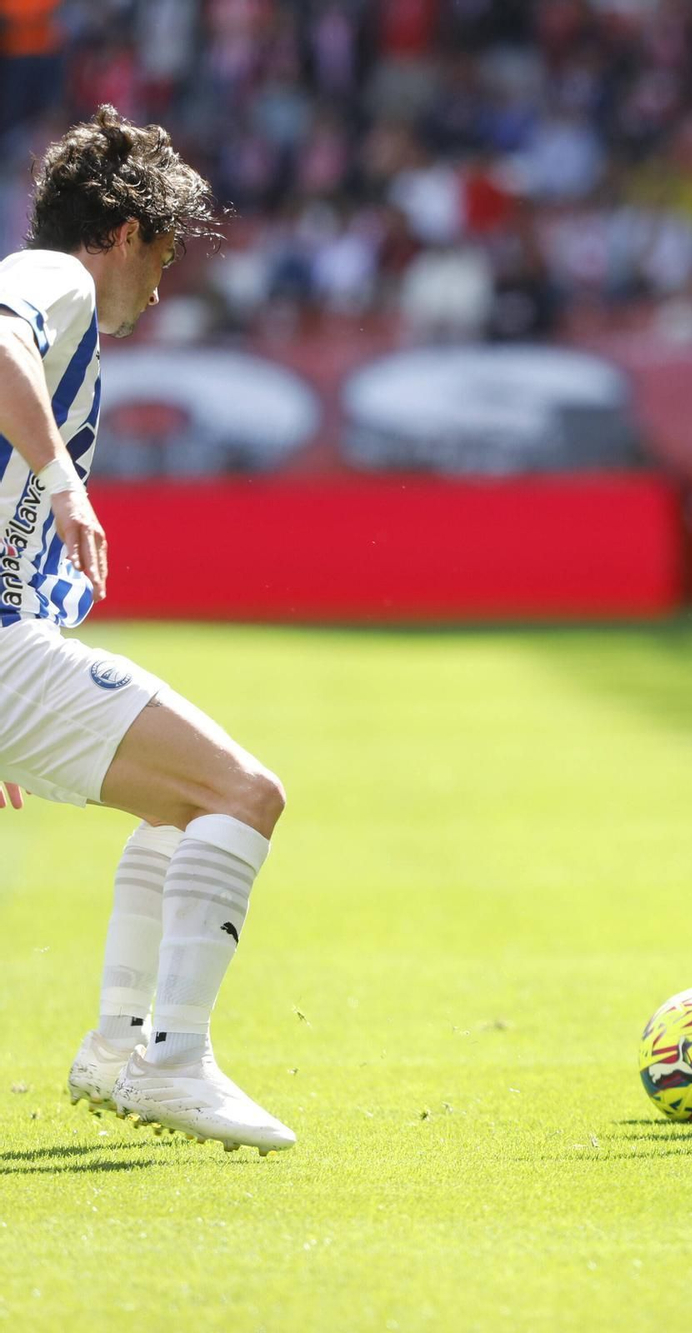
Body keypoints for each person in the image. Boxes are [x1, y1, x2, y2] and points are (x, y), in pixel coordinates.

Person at [0, 107, 293, 1154]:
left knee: (179, 806)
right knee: (242, 793)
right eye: (162, 253)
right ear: (123, 231)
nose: (161, 284)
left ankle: (121, 1047)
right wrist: (64, 480)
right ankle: (171, 1062)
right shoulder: (57, 279)